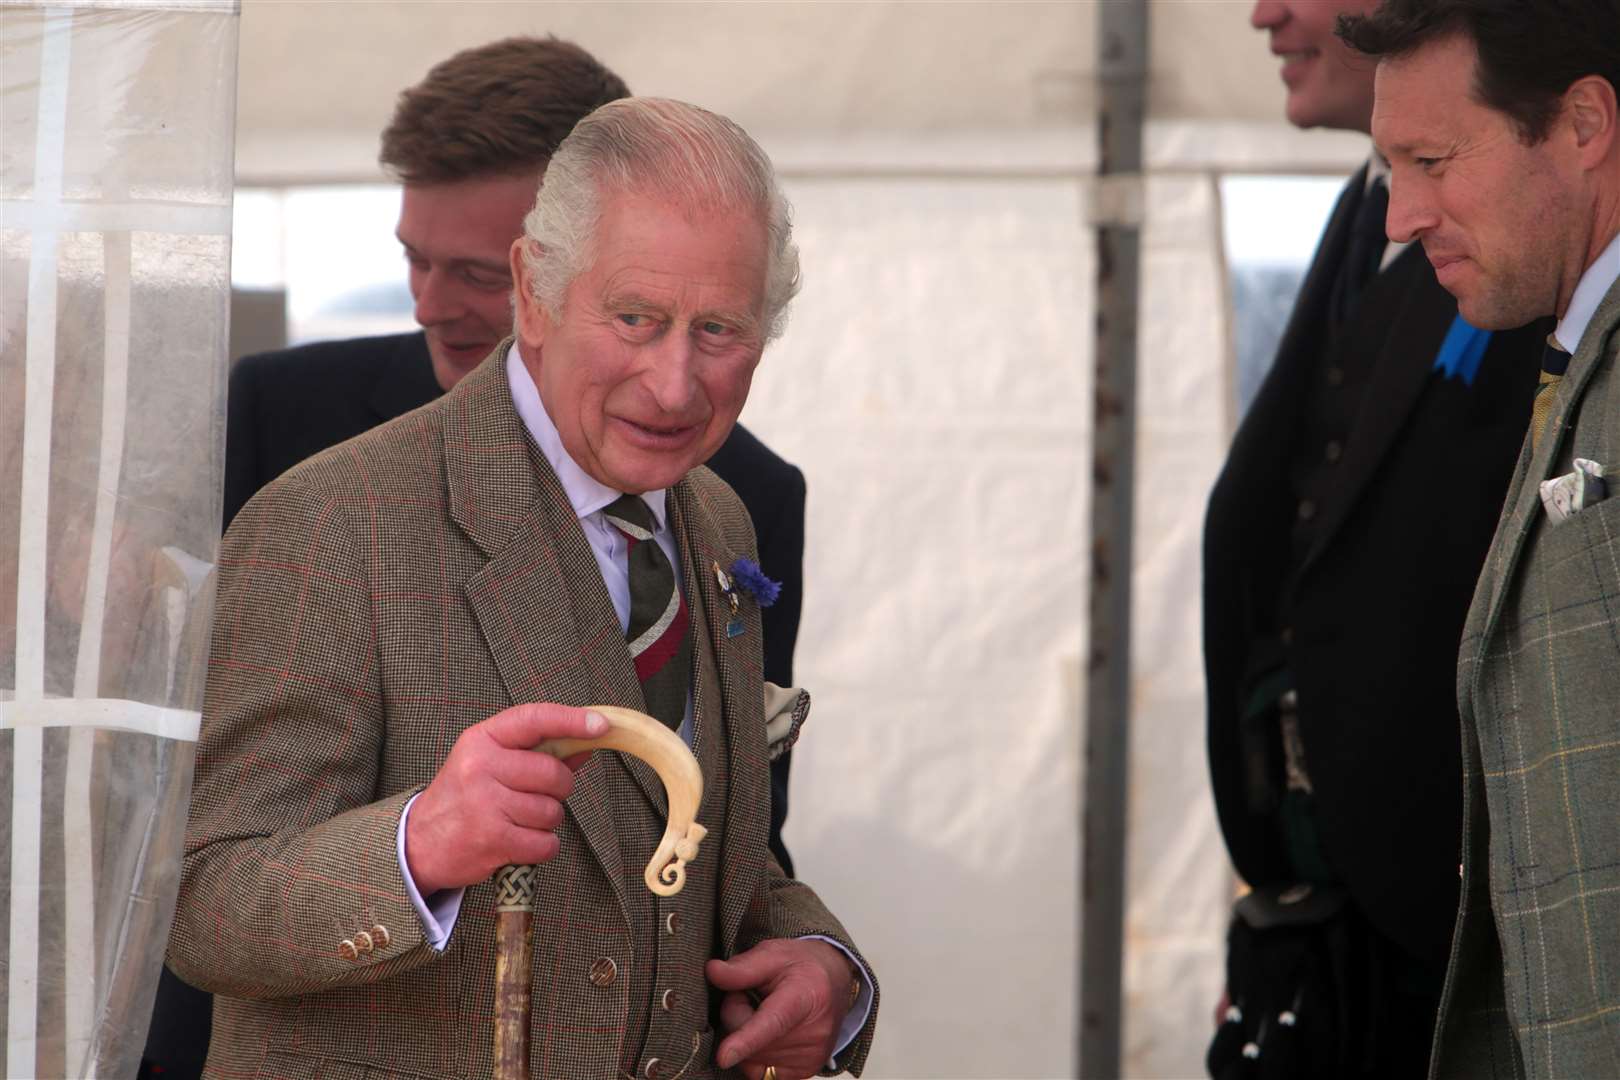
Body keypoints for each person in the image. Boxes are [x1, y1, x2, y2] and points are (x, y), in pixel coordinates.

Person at [166, 97, 877, 1080]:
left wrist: (820, 963)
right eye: (635, 319)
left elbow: (690, 854)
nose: (674, 385)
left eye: (719, 331)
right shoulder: (336, 521)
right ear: (534, 293)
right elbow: (202, 906)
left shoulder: (719, 523)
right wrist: (415, 849)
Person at [1202, 3, 1549, 1076]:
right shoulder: (1369, 220)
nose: (1264, 12)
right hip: (1343, 925)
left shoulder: (1531, 252)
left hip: (1459, 935)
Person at [1337, 2, 1620, 1075]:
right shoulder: (1571, 340)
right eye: (1389, 168)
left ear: (1585, 122)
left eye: (1435, 159)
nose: (1402, 216)